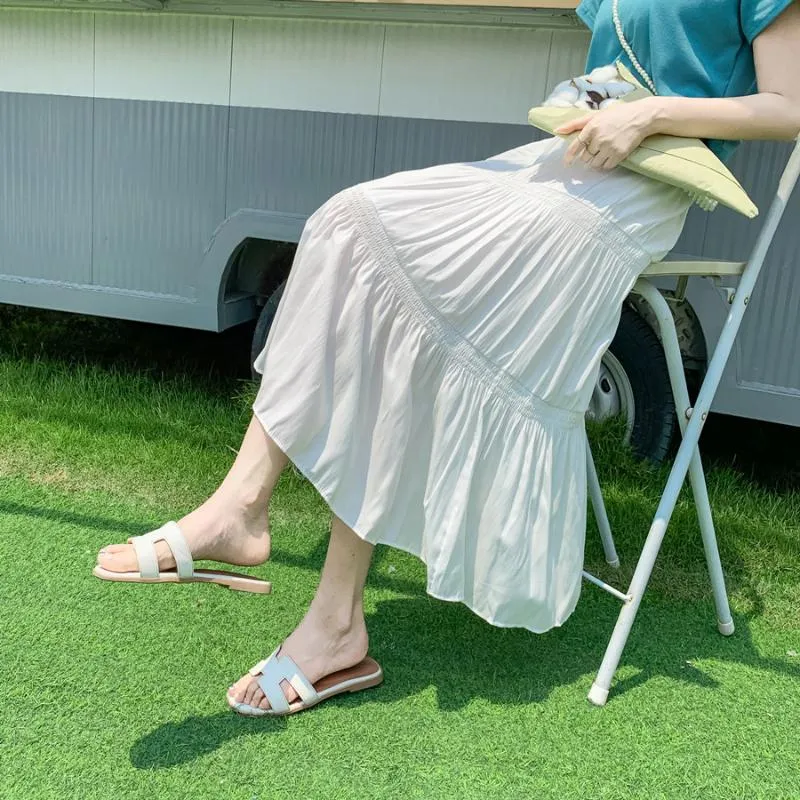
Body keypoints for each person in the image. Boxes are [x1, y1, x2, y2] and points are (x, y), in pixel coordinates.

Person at [94, 0, 800, 716]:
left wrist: (649, 117)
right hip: (570, 155)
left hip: (641, 188)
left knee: (434, 319)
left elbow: (786, 106)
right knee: (351, 221)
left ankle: (331, 618)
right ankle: (241, 508)